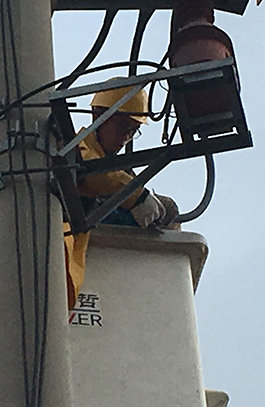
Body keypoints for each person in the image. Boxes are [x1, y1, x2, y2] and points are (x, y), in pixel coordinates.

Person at [64, 83, 179, 309]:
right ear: (98, 115)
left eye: (133, 131)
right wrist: (138, 197)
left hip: (93, 249)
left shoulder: (118, 168)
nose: (125, 138)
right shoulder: (77, 148)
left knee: (168, 209)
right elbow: (95, 172)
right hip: (69, 236)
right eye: (123, 127)